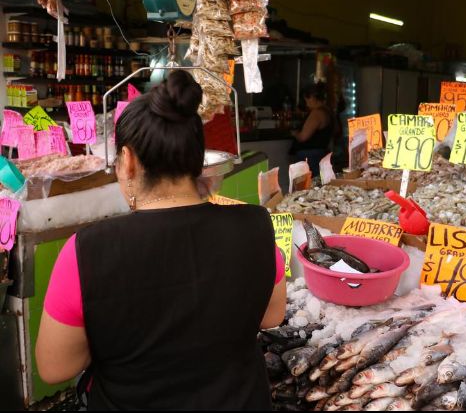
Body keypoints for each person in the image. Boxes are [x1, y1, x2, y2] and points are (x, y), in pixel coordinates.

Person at [35, 70, 287, 410]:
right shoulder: (256, 225)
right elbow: (272, 317)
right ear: (199, 159)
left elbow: (55, 367)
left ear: (128, 161)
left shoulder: (86, 251)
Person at [291, 83, 335, 176]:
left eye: (307, 99)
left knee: (307, 185)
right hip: (320, 153)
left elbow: (303, 137)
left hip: (310, 155)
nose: (306, 102)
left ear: (313, 97)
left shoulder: (317, 113)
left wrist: (295, 133)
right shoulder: (328, 111)